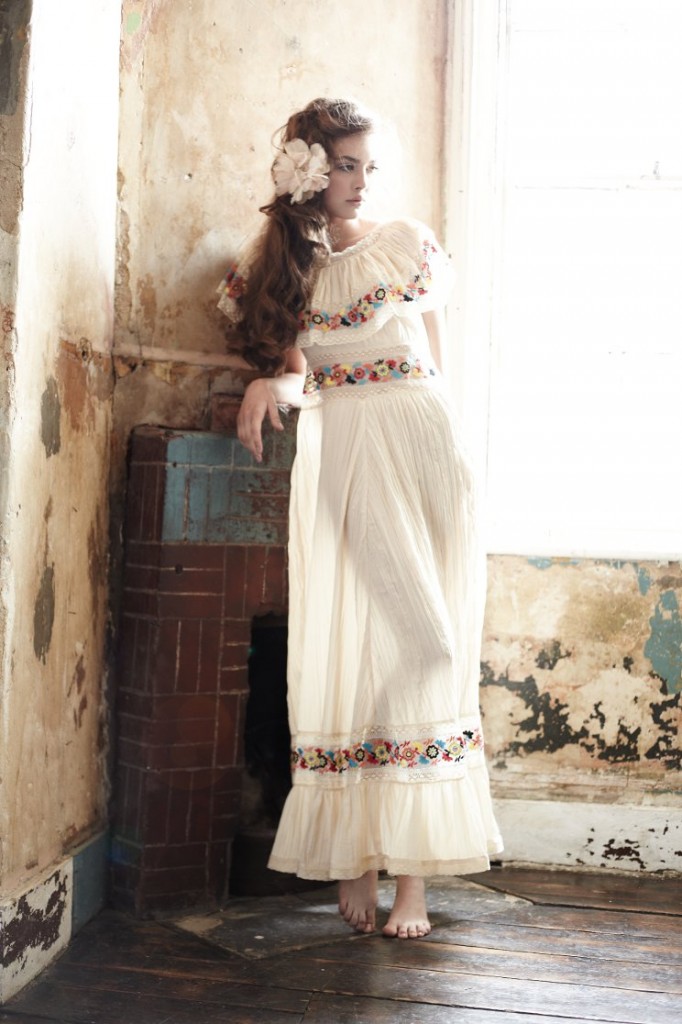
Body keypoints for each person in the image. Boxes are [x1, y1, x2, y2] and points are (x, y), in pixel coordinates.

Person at [217, 98, 503, 940]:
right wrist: (267, 383)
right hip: (351, 451)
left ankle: (408, 876)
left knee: (433, 649)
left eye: (369, 166)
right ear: (306, 170)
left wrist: (454, 456)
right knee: (393, 643)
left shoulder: (404, 243)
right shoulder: (282, 270)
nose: (361, 182)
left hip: (427, 446)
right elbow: (306, 377)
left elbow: (436, 363)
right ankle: (360, 850)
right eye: (345, 165)